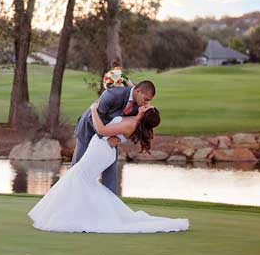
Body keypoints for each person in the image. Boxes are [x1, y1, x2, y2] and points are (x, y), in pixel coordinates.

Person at [28, 103, 189, 234]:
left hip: (101, 150)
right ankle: (82, 214)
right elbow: (134, 92)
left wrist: (93, 110)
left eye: (147, 106)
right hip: (102, 149)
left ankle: (70, 217)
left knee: (77, 178)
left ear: (145, 114)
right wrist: (121, 77)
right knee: (82, 180)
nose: (146, 104)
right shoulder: (135, 120)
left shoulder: (131, 124)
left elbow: (101, 130)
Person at [71, 80, 156, 194]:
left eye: (149, 101)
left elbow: (139, 128)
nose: (146, 103)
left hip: (109, 139)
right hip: (88, 131)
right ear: (138, 91)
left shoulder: (139, 107)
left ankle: (110, 206)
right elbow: (93, 117)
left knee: (111, 172)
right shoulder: (113, 95)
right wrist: (105, 137)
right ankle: (72, 197)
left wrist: (119, 138)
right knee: (77, 168)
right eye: (146, 99)